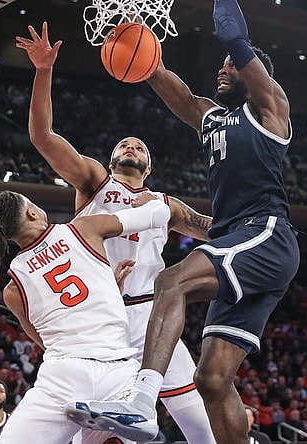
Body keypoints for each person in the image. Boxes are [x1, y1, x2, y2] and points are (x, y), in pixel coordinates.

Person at [63, 0, 301, 441]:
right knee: (212, 381)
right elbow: (167, 82)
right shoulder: (211, 117)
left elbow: (233, 33)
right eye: (223, 65)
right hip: (240, 239)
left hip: (266, 235)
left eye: (232, 66)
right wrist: (137, 44)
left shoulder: (270, 110)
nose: (223, 69)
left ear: (252, 75)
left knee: (171, 282)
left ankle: (140, 402)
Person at [16, 22, 215, 444]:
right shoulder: (92, 182)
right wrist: (43, 70)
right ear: (109, 158)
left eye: (140, 147)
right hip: (100, 321)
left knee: (197, 420)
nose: (131, 147)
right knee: (95, 436)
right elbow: (42, 136)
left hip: (151, 315)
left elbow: (215, 232)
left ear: (150, 167)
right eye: (125, 144)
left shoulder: (166, 204)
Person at [0, 187, 171, 444]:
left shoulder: (13, 289)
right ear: (33, 213)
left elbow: (46, 339)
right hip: (119, 372)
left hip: (64, 377)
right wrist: (150, 201)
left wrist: (108, 289)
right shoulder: (83, 229)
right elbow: (159, 214)